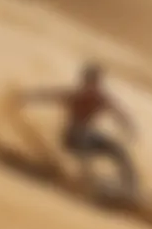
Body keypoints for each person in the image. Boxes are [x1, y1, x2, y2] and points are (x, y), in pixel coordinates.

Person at [15, 62, 139, 195]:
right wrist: (24, 97)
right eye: (91, 81)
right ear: (85, 81)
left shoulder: (101, 98)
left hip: (89, 135)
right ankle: (87, 184)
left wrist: (128, 126)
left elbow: (118, 112)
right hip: (72, 138)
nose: (94, 85)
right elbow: (48, 95)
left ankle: (131, 188)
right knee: (84, 150)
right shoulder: (75, 96)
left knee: (118, 150)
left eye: (96, 81)